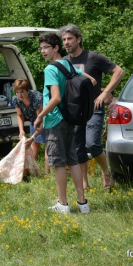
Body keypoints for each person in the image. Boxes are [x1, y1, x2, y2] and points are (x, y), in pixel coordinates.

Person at [34, 34, 96, 214]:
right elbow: (82, 75)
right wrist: (90, 79)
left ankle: (63, 204)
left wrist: (40, 117)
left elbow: (56, 98)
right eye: (41, 48)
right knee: (73, 160)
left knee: (59, 163)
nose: (43, 51)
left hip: (55, 119)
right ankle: (83, 204)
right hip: (69, 119)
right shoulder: (67, 64)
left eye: (46, 47)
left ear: (55, 48)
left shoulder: (51, 69)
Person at [59, 24, 125, 191]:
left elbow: (119, 72)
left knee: (93, 144)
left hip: (94, 108)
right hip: (75, 111)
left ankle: (105, 171)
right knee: (79, 147)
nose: (66, 42)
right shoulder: (64, 62)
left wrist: (104, 94)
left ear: (78, 39)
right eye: (64, 39)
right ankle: (84, 183)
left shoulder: (93, 57)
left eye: (70, 39)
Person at [12, 79, 49, 173]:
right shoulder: (16, 99)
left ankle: (47, 173)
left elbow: (42, 121)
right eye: (17, 92)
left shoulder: (36, 98)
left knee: (47, 143)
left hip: (46, 119)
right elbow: (20, 115)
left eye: (22, 92)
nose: (20, 95)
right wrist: (21, 130)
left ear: (27, 90)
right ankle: (30, 169)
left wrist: (32, 137)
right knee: (35, 143)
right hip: (33, 120)